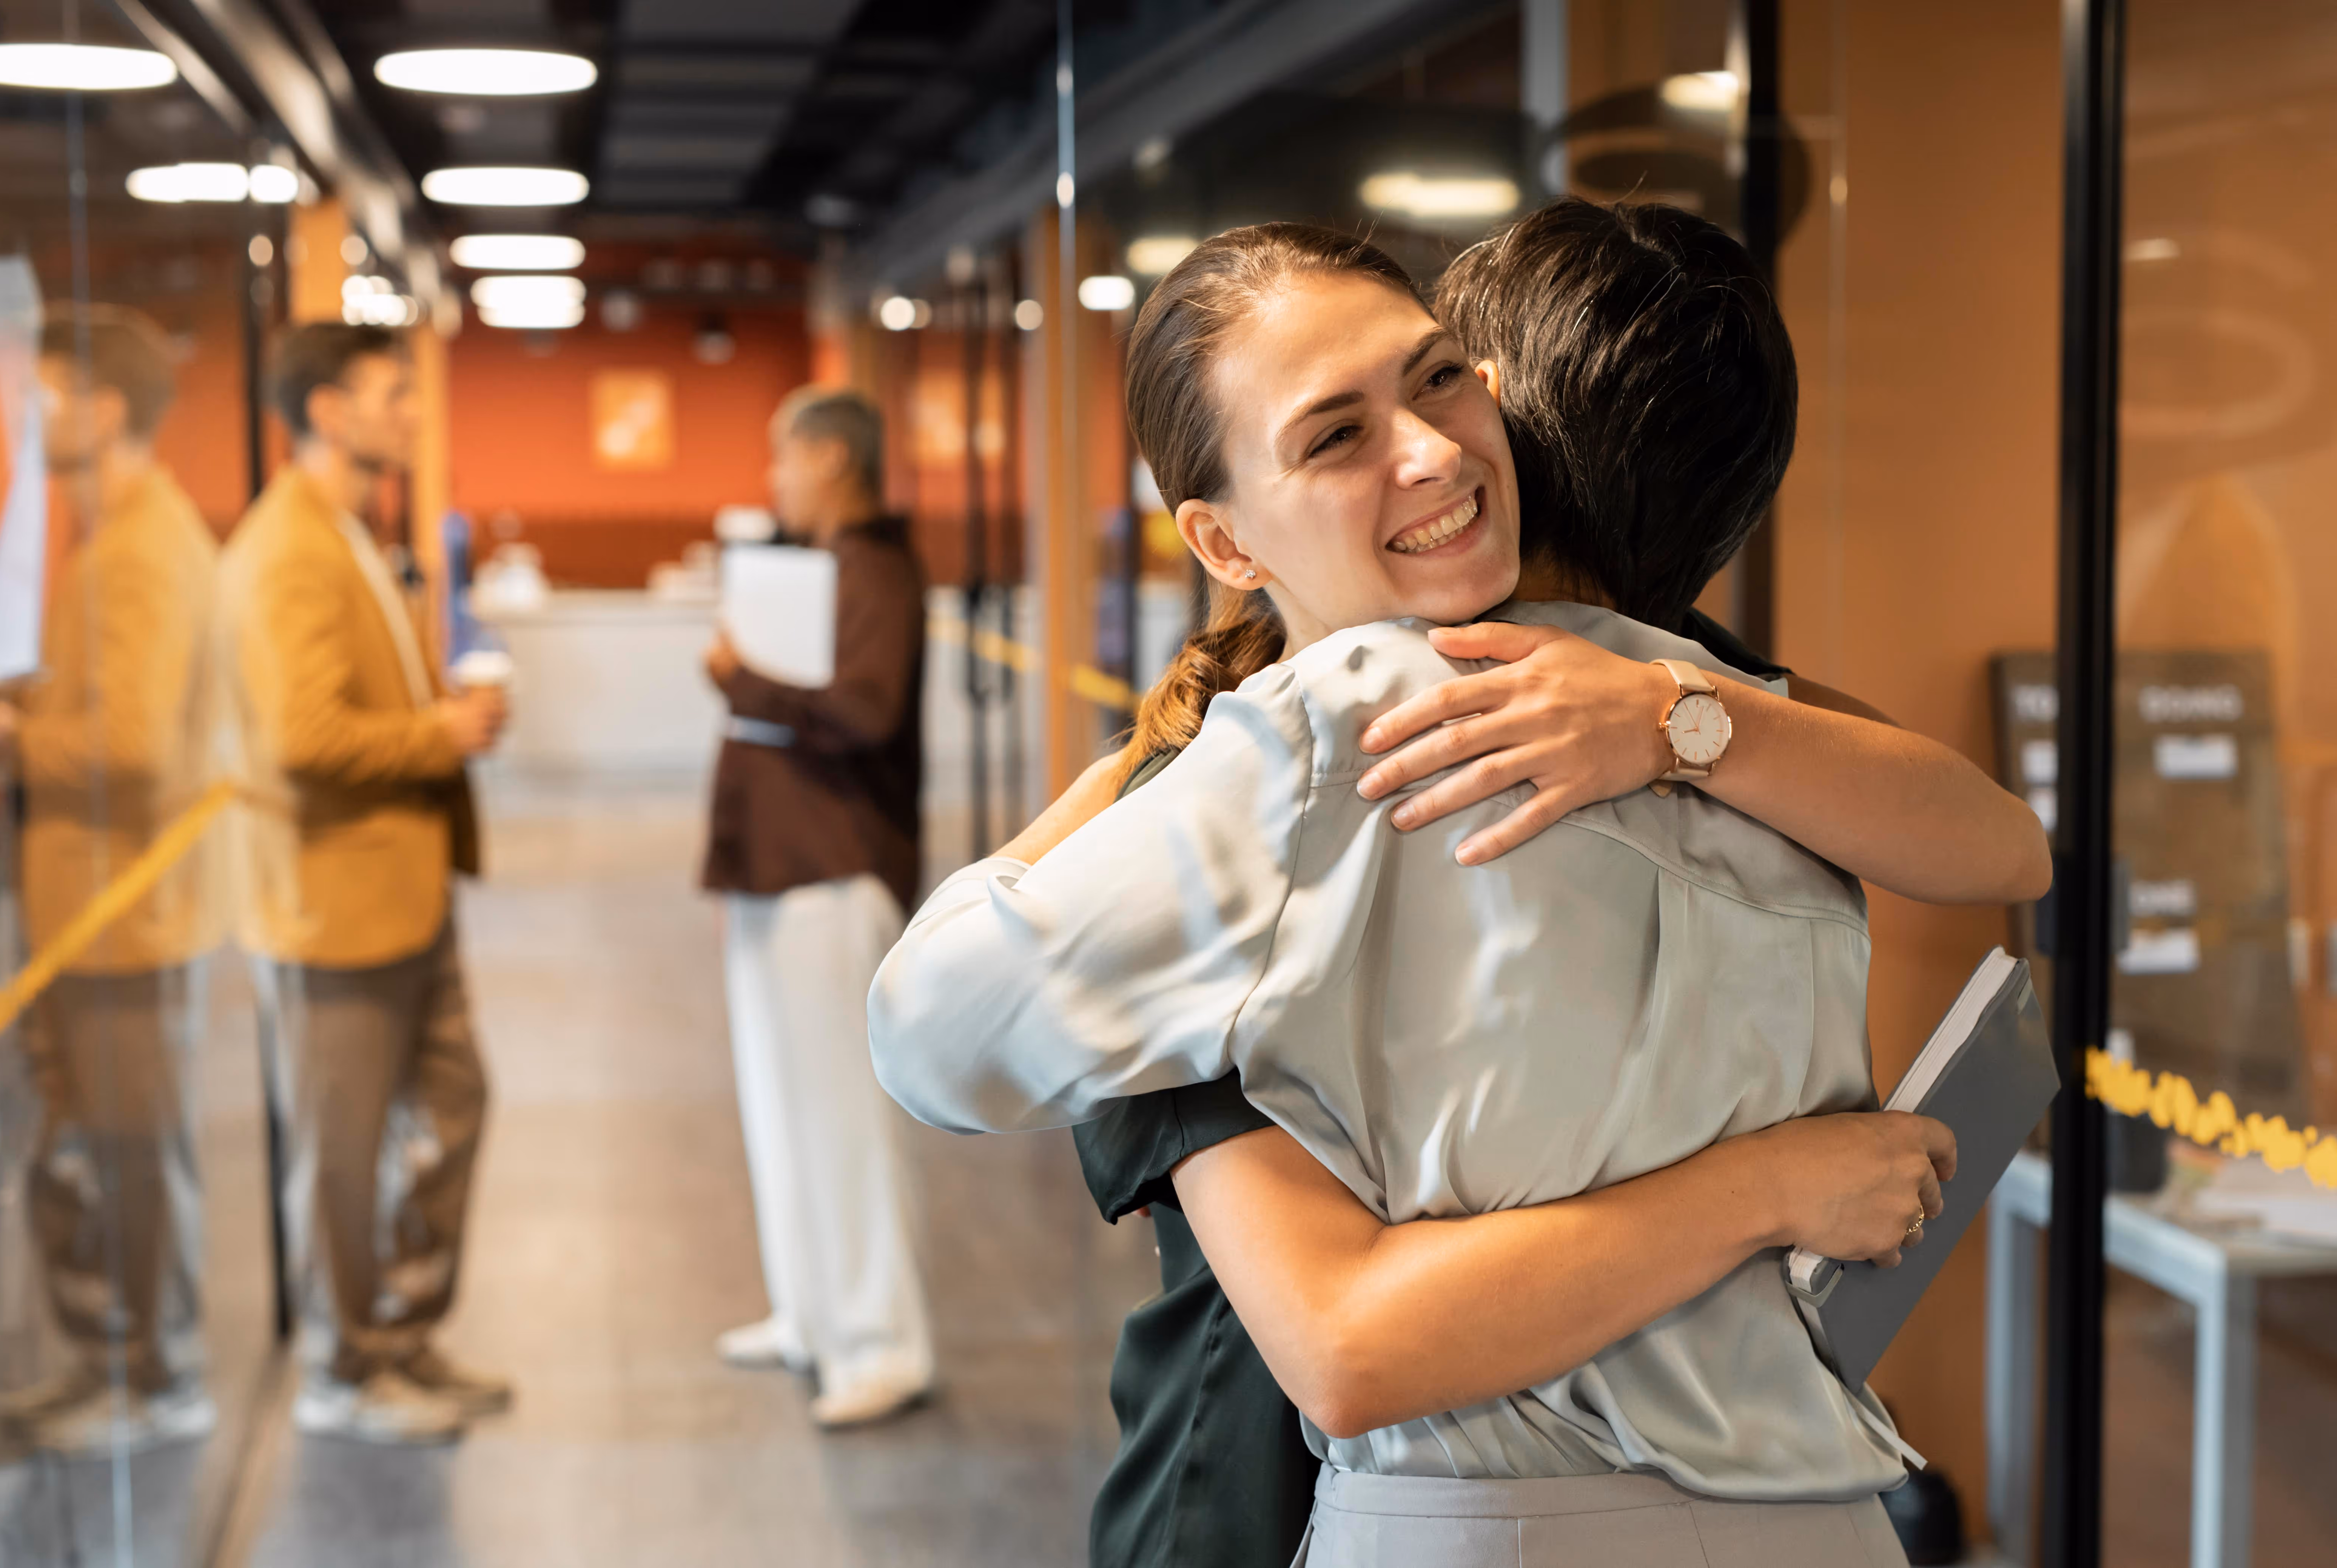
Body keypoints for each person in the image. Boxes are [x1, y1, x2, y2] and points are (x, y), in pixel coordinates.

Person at [870, 217, 2043, 1565]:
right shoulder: (1738, 734)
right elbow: (2005, 847)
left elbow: (928, 1028)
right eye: (1334, 435)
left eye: (1437, 379)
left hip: (1445, 1518)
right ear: (1225, 538)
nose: (1428, 452)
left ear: (1505, 403)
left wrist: (1146, 778)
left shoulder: (1335, 752)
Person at [222, 321, 510, 1445]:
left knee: (452, 1108)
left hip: (403, 895)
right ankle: (347, 1370)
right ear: (328, 410)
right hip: (329, 912)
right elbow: (301, 737)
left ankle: (400, 1332)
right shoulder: (285, 548)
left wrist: (445, 720)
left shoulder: (344, 534)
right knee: (340, 1157)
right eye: (392, 393)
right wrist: (440, 734)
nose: (411, 412)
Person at [0, 305, 221, 1455]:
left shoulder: (141, 547)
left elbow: (128, 747)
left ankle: (154, 1381)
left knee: (126, 1155)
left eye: (50, 392)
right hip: (92, 914)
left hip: (120, 916)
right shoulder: (111, 534)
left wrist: (3, 731)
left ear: (109, 408)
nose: (27, 414)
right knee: (100, 1151)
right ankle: (118, 1367)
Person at [701, 386, 936, 1429]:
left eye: (784, 458)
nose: (776, 479)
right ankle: (810, 1312)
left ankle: (881, 1343)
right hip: (771, 863)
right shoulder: (819, 569)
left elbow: (863, 710)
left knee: (838, 1119)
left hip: (831, 872)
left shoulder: (876, 569)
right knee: (777, 1104)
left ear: (833, 459)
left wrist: (745, 680)